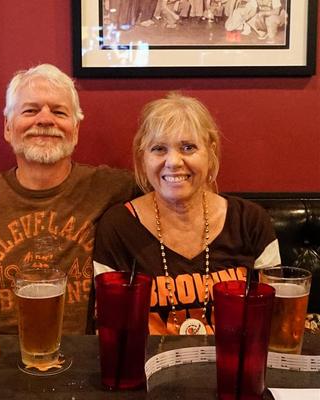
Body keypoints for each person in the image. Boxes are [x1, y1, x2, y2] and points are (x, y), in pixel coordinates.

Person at [0, 64, 138, 338]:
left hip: (85, 365)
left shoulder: (114, 188)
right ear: (8, 127)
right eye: (30, 110)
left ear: (76, 129)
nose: (45, 120)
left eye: (59, 112)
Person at [93, 92, 281, 335]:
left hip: (232, 367)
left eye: (188, 147)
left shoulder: (250, 221)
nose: (173, 161)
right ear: (143, 158)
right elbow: (110, 331)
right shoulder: (118, 226)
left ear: (210, 151)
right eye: (159, 149)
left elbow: (275, 322)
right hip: (147, 369)